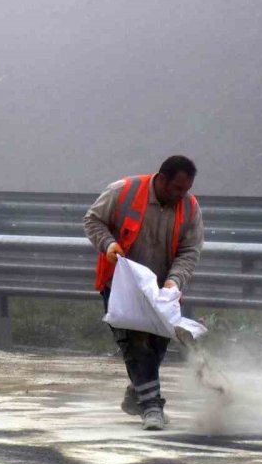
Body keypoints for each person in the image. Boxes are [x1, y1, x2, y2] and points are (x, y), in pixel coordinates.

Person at [83, 155, 204, 430]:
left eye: (186, 190)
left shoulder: (190, 207)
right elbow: (92, 221)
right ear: (161, 179)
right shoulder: (122, 192)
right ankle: (152, 407)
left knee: (158, 346)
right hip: (120, 286)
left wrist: (174, 282)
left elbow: (189, 251)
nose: (181, 196)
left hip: (162, 290)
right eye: (176, 189)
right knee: (136, 345)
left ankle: (136, 394)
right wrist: (109, 245)